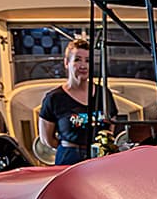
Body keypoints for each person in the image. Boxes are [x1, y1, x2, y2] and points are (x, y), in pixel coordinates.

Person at [36, 36, 107, 166]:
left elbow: (110, 128)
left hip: (100, 159)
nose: (83, 65)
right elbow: (47, 139)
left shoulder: (103, 94)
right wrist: (71, 149)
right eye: (77, 60)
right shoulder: (54, 99)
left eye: (87, 61)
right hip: (68, 159)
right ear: (66, 63)